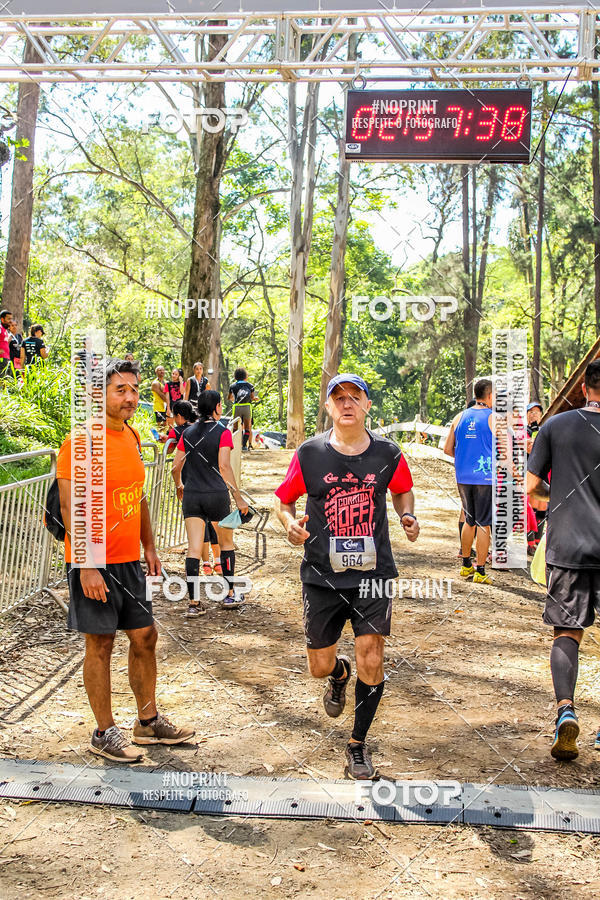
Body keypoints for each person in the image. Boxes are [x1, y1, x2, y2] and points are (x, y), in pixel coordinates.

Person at [274, 374, 419, 780]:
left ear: (367, 405)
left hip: (374, 573)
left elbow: (402, 490)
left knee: (371, 656)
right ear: (328, 406)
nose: (347, 403)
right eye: (339, 398)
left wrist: (407, 514)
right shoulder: (310, 453)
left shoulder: (388, 453)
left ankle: (357, 745)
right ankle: (338, 675)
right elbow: (283, 501)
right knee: (318, 666)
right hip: (322, 575)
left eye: (356, 397)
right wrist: (289, 524)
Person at [56, 358, 194, 762]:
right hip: (93, 560)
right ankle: (104, 732)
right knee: (100, 643)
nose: (131, 397)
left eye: (134, 389)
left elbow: (138, 495)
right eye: (121, 390)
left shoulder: (132, 436)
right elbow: (68, 506)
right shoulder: (80, 442)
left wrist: (149, 546)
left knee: (145, 636)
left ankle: (147, 722)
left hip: (129, 560)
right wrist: (86, 565)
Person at [527, 360, 600, 761]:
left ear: (585, 388)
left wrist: (556, 502)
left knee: (566, 633)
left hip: (569, 545)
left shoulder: (555, 425)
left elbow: (531, 487)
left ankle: (565, 712)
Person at [171, 390, 247, 615]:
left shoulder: (187, 432)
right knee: (226, 544)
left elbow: (175, 467)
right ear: (216, 407)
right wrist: (238, 497)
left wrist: (179, 485)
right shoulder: (223, 432)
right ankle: (230, 594)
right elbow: (224, 466)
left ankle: (194, 603)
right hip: (217, 494)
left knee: (194, 548)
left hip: (192, 495)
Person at [443, 378, 493, 585]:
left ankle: (465, 565)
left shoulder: (459, 417)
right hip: (485, 476)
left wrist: (465, 458)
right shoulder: (493, 418)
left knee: (469, 519)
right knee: (484, 522)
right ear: (490, 396)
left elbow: (447, 449)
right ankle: (480, 570)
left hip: (463, 475)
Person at [228, 367, 257, 450]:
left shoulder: (232, 386)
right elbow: (252, 397)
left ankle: (236, 445)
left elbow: (229, 397)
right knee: (247, 428)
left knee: (236, 428)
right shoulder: (250, 385)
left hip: (236, 407)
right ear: (245, 376)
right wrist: (255, 398)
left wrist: (234, 400)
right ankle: (244, 445)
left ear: (235, 376)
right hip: (247, 407)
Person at [0, 309, 13, 376]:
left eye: (11, 319)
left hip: (6, 359)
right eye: (8, 319)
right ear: (2, 319)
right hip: (1, 359)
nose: (10, 321)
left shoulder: (5, 330)